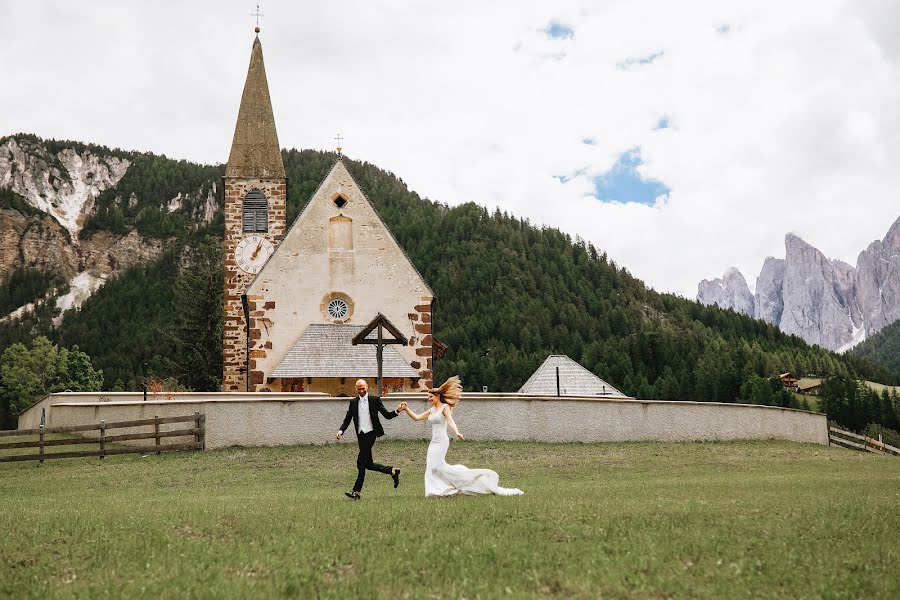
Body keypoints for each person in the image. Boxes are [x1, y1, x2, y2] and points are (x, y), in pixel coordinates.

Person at [402, 376, 523, 497]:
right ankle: (435, 489)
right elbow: (417, 418)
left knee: (436, 466)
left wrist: (457, 432)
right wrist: (406, 409)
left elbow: (450, 421)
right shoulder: (432, 410)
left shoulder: (445, 407)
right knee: (432, 467)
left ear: (437, 396)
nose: (429, 399)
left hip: (442, 442)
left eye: (430, 397)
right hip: (433, 442)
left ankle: (460, 481)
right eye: (428, 397)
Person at [336, 379, 408, 500]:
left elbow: (387, 415)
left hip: (371, 434)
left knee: (360, 462)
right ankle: (393, 471)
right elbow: (348, 419)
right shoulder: (353, 402)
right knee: (368, 464)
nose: (361, 391)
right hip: (361, 435)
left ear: (367, 387)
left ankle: (356, 491)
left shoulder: (375, 400)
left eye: (363, 388)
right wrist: (341, 430)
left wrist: (398, 411)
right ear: (356, 389)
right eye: (359, 389)